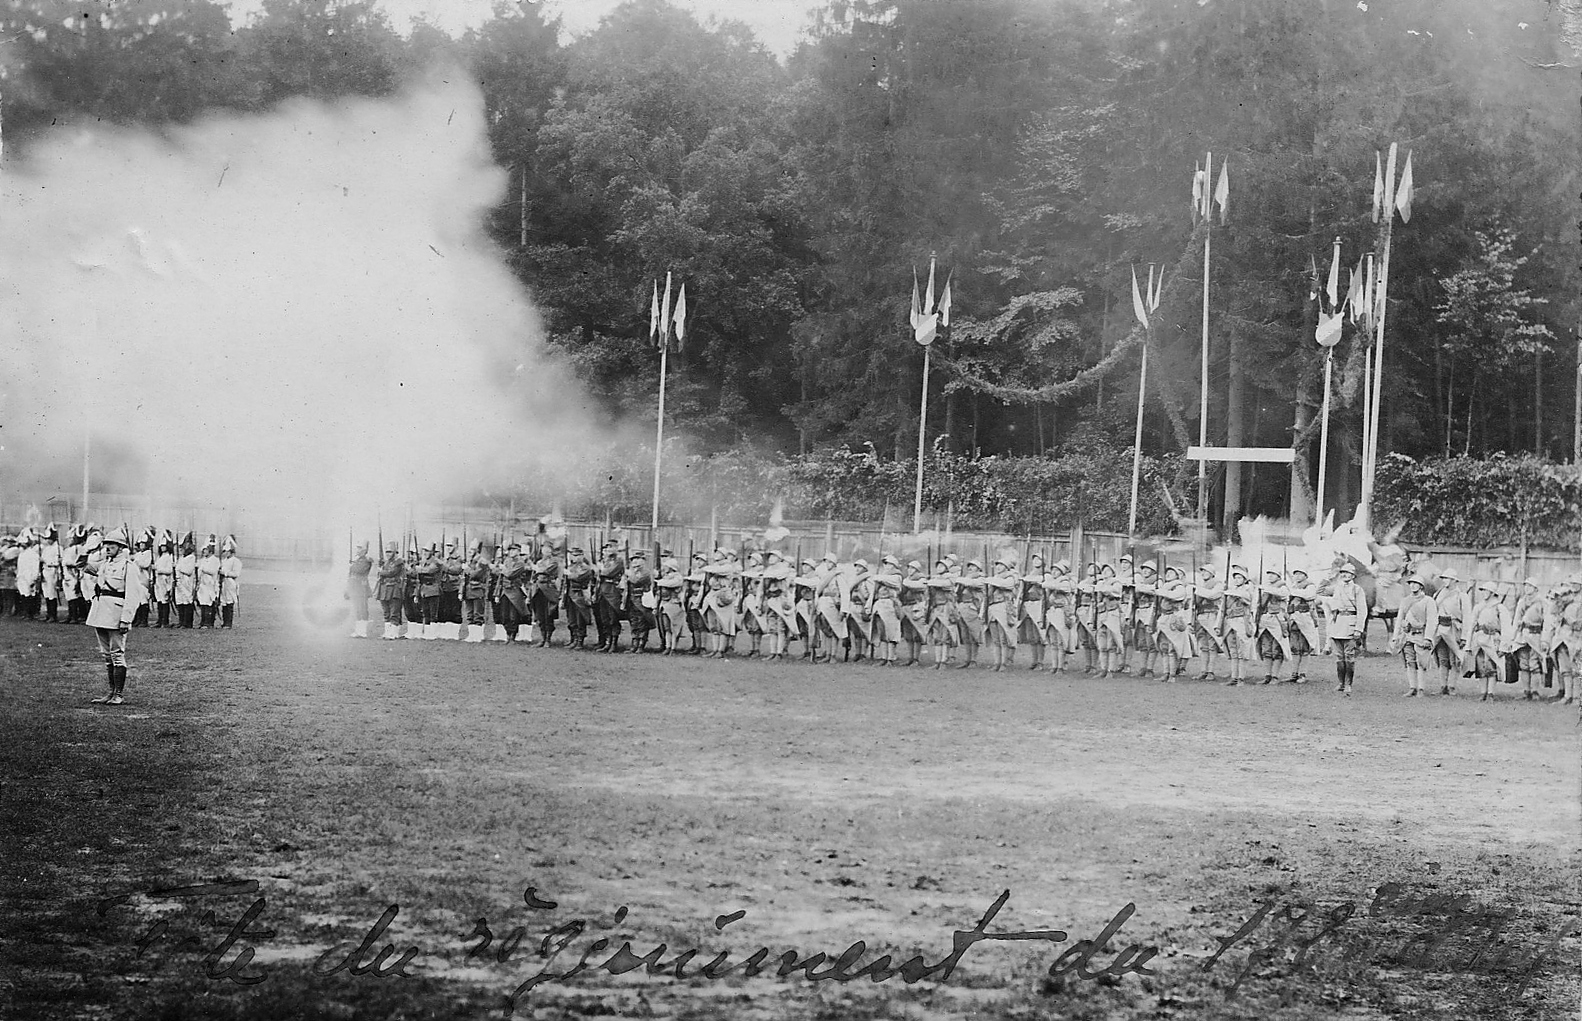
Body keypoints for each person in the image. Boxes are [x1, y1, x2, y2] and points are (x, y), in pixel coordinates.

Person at [82, 526, 145, 705]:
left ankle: (118, 694)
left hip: (117, 614)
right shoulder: (104, 565)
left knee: (117, 654)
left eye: (112, 544)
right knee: (106, 655)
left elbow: (133, 595)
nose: (107, 547)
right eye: (106, 544)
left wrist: (126, 618)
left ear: (120, 547)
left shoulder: (128, 567)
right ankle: (110, 692)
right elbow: (84, 565)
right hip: (100, 612)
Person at [1325, 562, 1369, 696]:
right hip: (1338, 623)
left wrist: (1358, 629)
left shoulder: (1357, 589)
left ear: (1353, 575)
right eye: (1342, 572)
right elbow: (1321, 591)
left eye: (1348, 573)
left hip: (1350, 622)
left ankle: (1348, 684)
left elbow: (1362, 610)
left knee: (1349, 656)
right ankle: (1341, 683)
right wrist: (1328, 577)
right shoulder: (1337, 587)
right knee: (1339, 656)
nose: (1344, 575)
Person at [1391, 574, 1436, 696]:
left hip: (1421, 634)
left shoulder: (1428, 601)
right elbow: (1400, 618)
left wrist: (1428, 638)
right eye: (1411, 583)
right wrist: (1396, 636)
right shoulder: (1405, 601)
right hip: (1407, 635)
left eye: (1416, 584)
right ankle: (1412, 687)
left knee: (1421, 663)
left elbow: (1432, 620)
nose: (1413, 586)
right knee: (1409, 661)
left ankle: (1421, 688)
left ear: (1421, 586)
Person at [1429, 568, 1471, 696]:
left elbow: (1467, 617)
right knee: (1442, 659)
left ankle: (1452, 686)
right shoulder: (1438, 594)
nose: (1445, 581)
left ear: (1454, 580)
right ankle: (1443, 686)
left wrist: (1464, 637)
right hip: (1439, 628)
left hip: (1454, 628)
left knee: (1455, 659)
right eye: (1444, 578)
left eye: (1447, 578)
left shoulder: (1461, 596)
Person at [1153, 568, 1196, 682]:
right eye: (1167, 572)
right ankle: (1165, 673)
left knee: (1172, 648)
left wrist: (1160, 591)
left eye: (1171, 573)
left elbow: (1175, 596)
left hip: (1174, 619)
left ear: (1177, 576)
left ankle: (1172, 674)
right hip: (1163, 618)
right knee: (1164, 648)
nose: (1168, 574)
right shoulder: (1164, 586)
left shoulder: (1179, 587)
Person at [1468, 581, 1510, 701]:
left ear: (1493, 593)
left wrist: (1503, 646)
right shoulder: (1478, 607)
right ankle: (1483, 692)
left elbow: (1506, 627)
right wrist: (1468, 644)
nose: (1484, 593)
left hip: (1493, 639)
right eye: (1483, 591)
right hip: (1479, 639)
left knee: (1492, 666)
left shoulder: (1499, 607)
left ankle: (1491, 693)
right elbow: (1472, 625)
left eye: (1487, 591)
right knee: (1481, 666)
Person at [1509, 578, 1547, 701]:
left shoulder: (1542, 602)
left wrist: (1545, 639)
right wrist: (1512, 637)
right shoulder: (1522, 602)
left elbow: (1547, 622)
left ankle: (1535, 692)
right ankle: (1526, 691)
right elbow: (1516, 619)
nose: (1527, 588)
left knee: (1534, 664)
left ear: (1536, 589)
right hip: (1523, 635)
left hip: (1536, 635)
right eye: (1525, 586)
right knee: (1524, 664)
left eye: (1530, 586)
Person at [1547, 575, 1581, 706]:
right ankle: (1567, 696)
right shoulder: (1565, 601)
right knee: (1565, 669)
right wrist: (1558, 599)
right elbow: (1553, 612)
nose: (1574, 586)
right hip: (1562, 638)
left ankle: (1577, 698)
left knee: (1576, 670)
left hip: (1575, 638)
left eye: (1576, 584)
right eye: (1572, 583)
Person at [1254, 569, 1293, 686]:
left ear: (1278, 576)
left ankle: (1275, 676)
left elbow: (1283, 594)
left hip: (1277, 620)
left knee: (1277, 648)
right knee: (1266, 649)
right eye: (1269, 574)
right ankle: (1267, 675)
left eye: (1273, 574)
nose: (1270, 576)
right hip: (1265, 619)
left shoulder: (1283, 586)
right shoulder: (1266, 587)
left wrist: (1266, 589)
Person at [1220, 566, 1256, 686]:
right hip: (1230, 622)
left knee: (1243, 651)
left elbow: (1247, 598)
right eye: (1235, 578)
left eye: (1240, 577)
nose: (1237, 580)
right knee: (1233, 651)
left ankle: (1241, 678)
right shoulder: (1230, 590)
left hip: (1242, 622)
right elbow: (1223, 608)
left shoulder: (1248, 589)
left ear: (1244, 579)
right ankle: (1234, 677)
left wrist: (1226, 591)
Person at [1283, 568, 1320, 684]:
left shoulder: (1310, 586)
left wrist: (1292, 591)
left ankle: (1302, 674)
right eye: (1296, 574)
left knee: (1304, 648)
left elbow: (1309, 596)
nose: (1298, 576)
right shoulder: (1293, 585)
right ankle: (1294, 673)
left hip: (1305, 619)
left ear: (1305, 575)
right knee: (1294, 648)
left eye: (1300, 574)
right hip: (1293, 619)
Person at [984, 558, 1019, 672]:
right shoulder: (994, 578)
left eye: (1001, 565)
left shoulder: (1011, 577)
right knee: (996, 639)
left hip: (1003, 608)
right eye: (997, 565)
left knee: (1003, 638)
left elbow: (1006, 585)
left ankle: (1004, 662)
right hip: (992, 608)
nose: (998, 567)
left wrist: (990, 580)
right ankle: (996, 662)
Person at [562, 546, 596, 650]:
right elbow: (565, 582)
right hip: (570, 595)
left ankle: (580, 641)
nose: (575, 557)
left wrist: (569, 574)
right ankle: (573, 639)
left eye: (577, 555)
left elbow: (578, 577)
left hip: (580, 595)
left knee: (580, 618)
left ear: (582, 556)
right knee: (572, 619)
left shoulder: (585, 567)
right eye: (573, 555)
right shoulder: (571, 566)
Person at [374, 541, 407, 639]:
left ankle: (394, 633)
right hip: (385, 589)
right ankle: (387, 632)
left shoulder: (398, 562)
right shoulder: (386, 562)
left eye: (390, 552)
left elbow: (391, 573)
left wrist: (381, 571)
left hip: (394, 589)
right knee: (386, 612)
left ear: (394, 552)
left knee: (394, 612)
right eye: (387, 552)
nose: (388, 554)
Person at [625, 549, 655, 652]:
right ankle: (634, 643)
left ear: (643, 560)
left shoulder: (645, 572)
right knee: (634, 622)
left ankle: (641, 645)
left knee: (642, 622)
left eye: (638, 559)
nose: (635, 561)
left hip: (642, 600)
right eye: (633, 559)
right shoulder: (632, 571)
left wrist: (629, 574)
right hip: (632, 600)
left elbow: (636, 581)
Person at [462, 542, 492, 638]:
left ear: (477, 550)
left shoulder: (482, 562)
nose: (469, 552)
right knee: (470, 613)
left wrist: (467, 569)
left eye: (471, 550)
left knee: (478, 614)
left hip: (478, 589)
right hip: (469, 590)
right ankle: (472, 635)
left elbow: (476, 575)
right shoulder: (470, 561)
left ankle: (477, 636)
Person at [346, 541, 373, 637]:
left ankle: (363, 631)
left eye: (360, 548)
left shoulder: (366, 560)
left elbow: (359, 570)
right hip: (354, 587)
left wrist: (351, 566)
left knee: (362, 608)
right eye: (357, 548)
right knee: (357, 609)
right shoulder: (357, 560)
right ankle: (358, 630)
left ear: (364, 550)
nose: (357, 550)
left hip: (361, 587)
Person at [416, 545, 444, 631]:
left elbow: (429, 570)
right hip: (424, 589)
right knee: (426, 612)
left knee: (433, 613)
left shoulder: (436, 562)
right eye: (424, 551)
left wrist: (419, 569)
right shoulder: (423, 561)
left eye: (427, 551)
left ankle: (433, 632)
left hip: (433, 589)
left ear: (432, 552)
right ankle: (428, 632)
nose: (425, 553)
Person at [15, 529, 41, 619]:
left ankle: (30, 613)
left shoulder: (33, 554)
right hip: (22, 576)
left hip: (29, 576)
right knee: (23, 594)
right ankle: (25, 612)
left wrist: (34, 578)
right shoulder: (22, 554)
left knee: (29, 594)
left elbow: (35, 567)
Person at [128, 531, 153, 627]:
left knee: (143, 599)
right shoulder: (138, 554)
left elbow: (146, 564)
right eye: (140, 544)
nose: (141, 545)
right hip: (137, 578)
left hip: (144, 578)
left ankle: (144, 620)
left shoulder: (148, 553)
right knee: (137, 599)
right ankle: (137, 619)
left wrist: (138, 562)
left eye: (143, 544)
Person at [196, 537, 221, 628]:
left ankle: (209, 622)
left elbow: (213, 571)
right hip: (203, 584)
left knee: (209, 602)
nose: (204, 552)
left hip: (211, 584)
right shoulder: (203, 560)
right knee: (202, 602)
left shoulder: (215, 560)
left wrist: (203, 569)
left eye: (206, 550)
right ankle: (203, 621)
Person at [39, 525, 63, 623]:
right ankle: (49, 614)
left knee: (51, 592)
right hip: (45, 570)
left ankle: (53, 615)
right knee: (46, 593)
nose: (47, 540)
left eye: (49, 538)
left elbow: (57, 561)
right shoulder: (46, 548)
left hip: (52, 570)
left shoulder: (58, 548)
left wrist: (46, 561)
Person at [174, 533, 198, 629]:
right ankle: (181, 621)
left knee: (187, 600)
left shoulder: (191, 558)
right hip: (179, 581)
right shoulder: (181, 558)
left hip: (187, 581)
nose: (180, 551)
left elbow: (188, 571)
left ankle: (187, 622)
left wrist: (179, 568)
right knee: (180, 600)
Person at [219, 536, 241, 628]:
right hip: (224, 583)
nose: (225, 553)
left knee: (229, 603)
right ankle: (224, 622)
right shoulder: (224, 561)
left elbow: (236, 573)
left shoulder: (236, 561)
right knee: (223, 603)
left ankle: (228, 623)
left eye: (227, 551)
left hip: (231, 583)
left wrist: (225, 573)